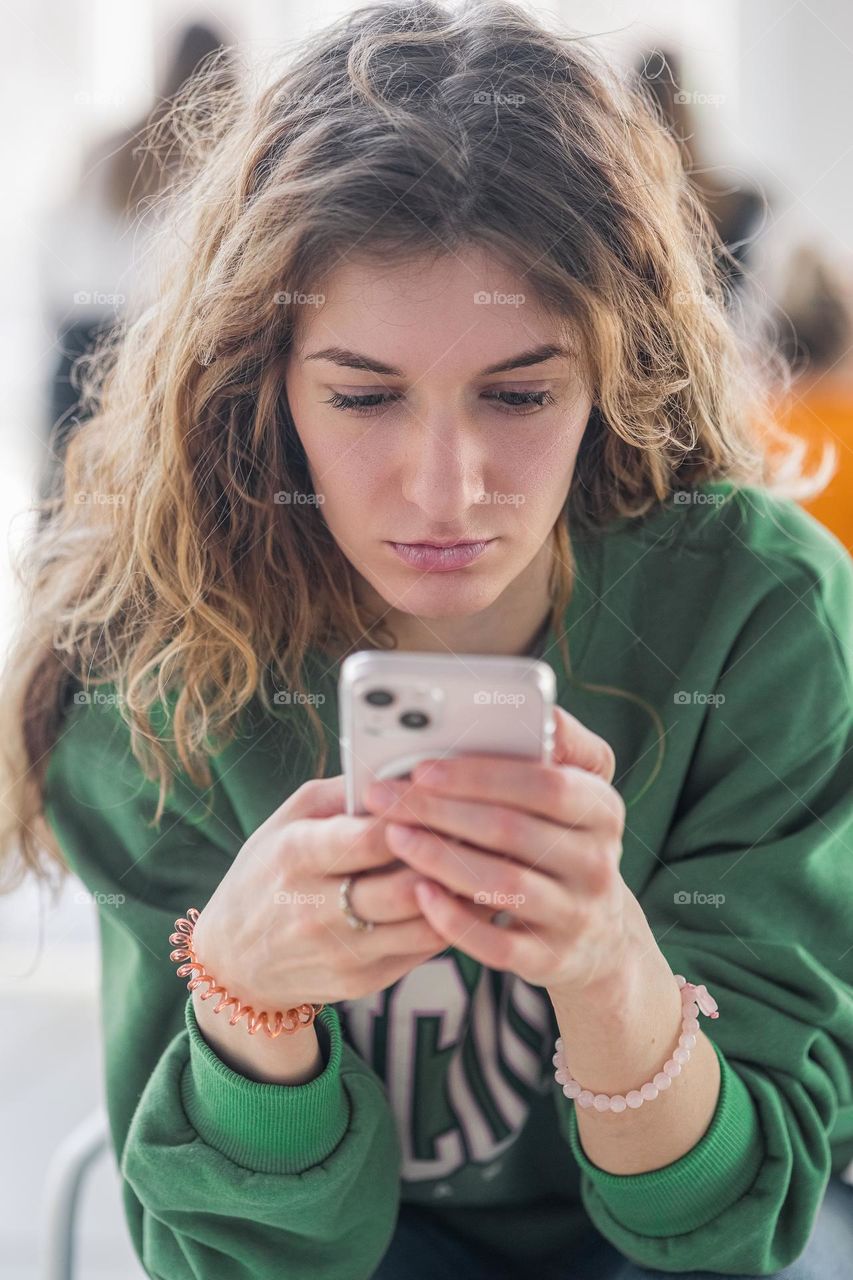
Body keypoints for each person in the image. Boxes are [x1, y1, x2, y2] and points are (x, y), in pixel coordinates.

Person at [1, 3, 852, 1277]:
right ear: (261, 380)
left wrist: (611, 968)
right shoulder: (145, 658)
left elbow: (727, 1226)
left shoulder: (758, 617)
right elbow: (235, 1260)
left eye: (519, 393)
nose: (447, 492)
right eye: (361, 394)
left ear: (611, 375)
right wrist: (246, 1002)